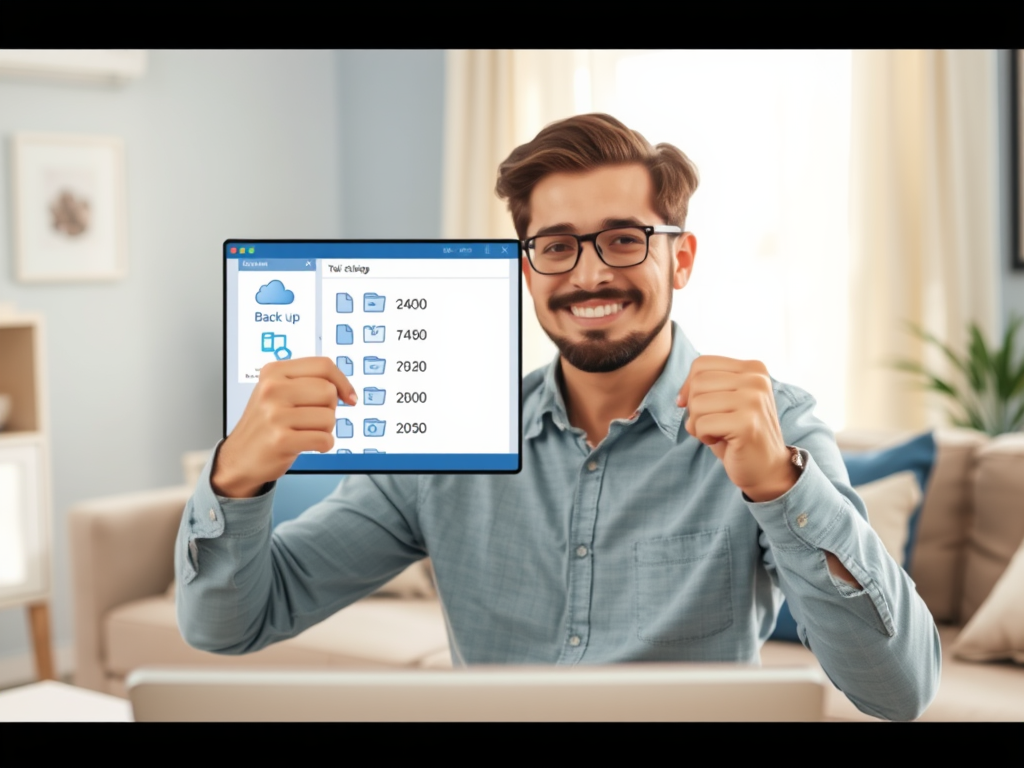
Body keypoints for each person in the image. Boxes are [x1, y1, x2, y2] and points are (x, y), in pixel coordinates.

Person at [177, 113, 940, 721]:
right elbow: (232, 624)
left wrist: (780, 487)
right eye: (556, 246)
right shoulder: (447, 440)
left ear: (680, 258)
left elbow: (899, 693)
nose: (590, 272)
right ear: (525, 266)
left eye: (623, 239)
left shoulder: (774, 430)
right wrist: (237, 479)